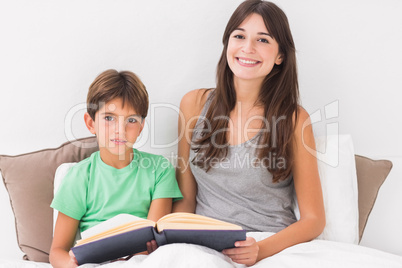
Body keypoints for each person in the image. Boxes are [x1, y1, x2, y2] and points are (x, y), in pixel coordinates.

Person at [173, 0, 325, 266]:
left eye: (263, 40)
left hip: (271, 245)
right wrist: (168, 234)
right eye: (239, 36)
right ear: (227, 44)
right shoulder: (194, 105)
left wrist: (261, 250)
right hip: (205, 245)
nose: (248, 48)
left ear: (280, 56)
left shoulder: (294, 119)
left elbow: (314, 220)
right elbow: (186, 198)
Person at [49, 69, 183, 268]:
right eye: (109, 118)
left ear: (141, 127)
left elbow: (154, 235)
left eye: (131, 120)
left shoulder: (159, 169)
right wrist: (72, 264)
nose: (120, 129)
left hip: (143, 261)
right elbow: (57, 250)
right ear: (90, 123)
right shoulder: (79, 176)